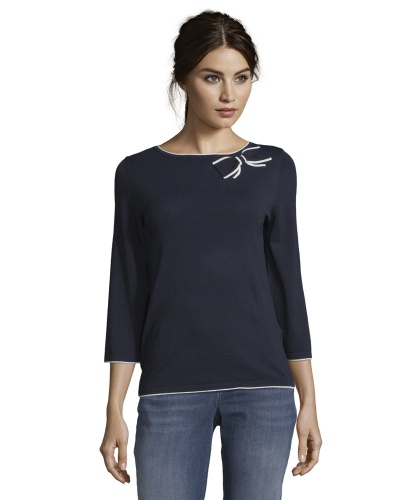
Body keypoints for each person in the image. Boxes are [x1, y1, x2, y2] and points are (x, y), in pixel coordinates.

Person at [99, 9, 322, 500]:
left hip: (263, 390)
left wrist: (309, 398)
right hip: (169, 389)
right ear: (183, 79)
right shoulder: (138, 174)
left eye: (241, 78)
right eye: (212, 77)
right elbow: (127, 290)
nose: (229, 95)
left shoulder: (273, 167)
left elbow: (288, 286)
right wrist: (114, 406)